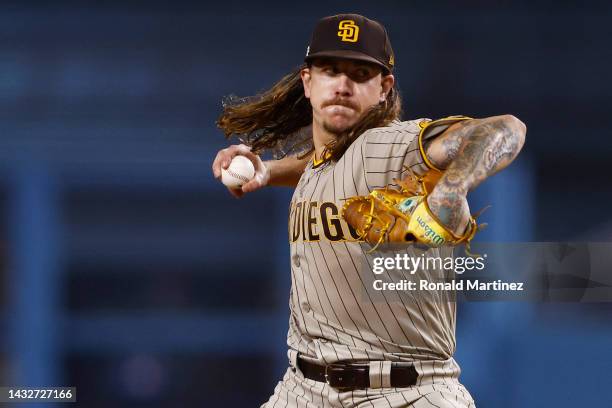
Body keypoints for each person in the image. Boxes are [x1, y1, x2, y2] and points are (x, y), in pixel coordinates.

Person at [212, 13, 525, 408]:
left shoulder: (397, 146)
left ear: (384, 88)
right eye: (330, 71)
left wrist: (450, 189)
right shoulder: (321, 162)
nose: (342, 86)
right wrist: (268, 170)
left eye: (360, 74)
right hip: (304, 389)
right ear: (307, 81)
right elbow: (322, 165)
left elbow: (505, 130)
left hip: (406, 393)